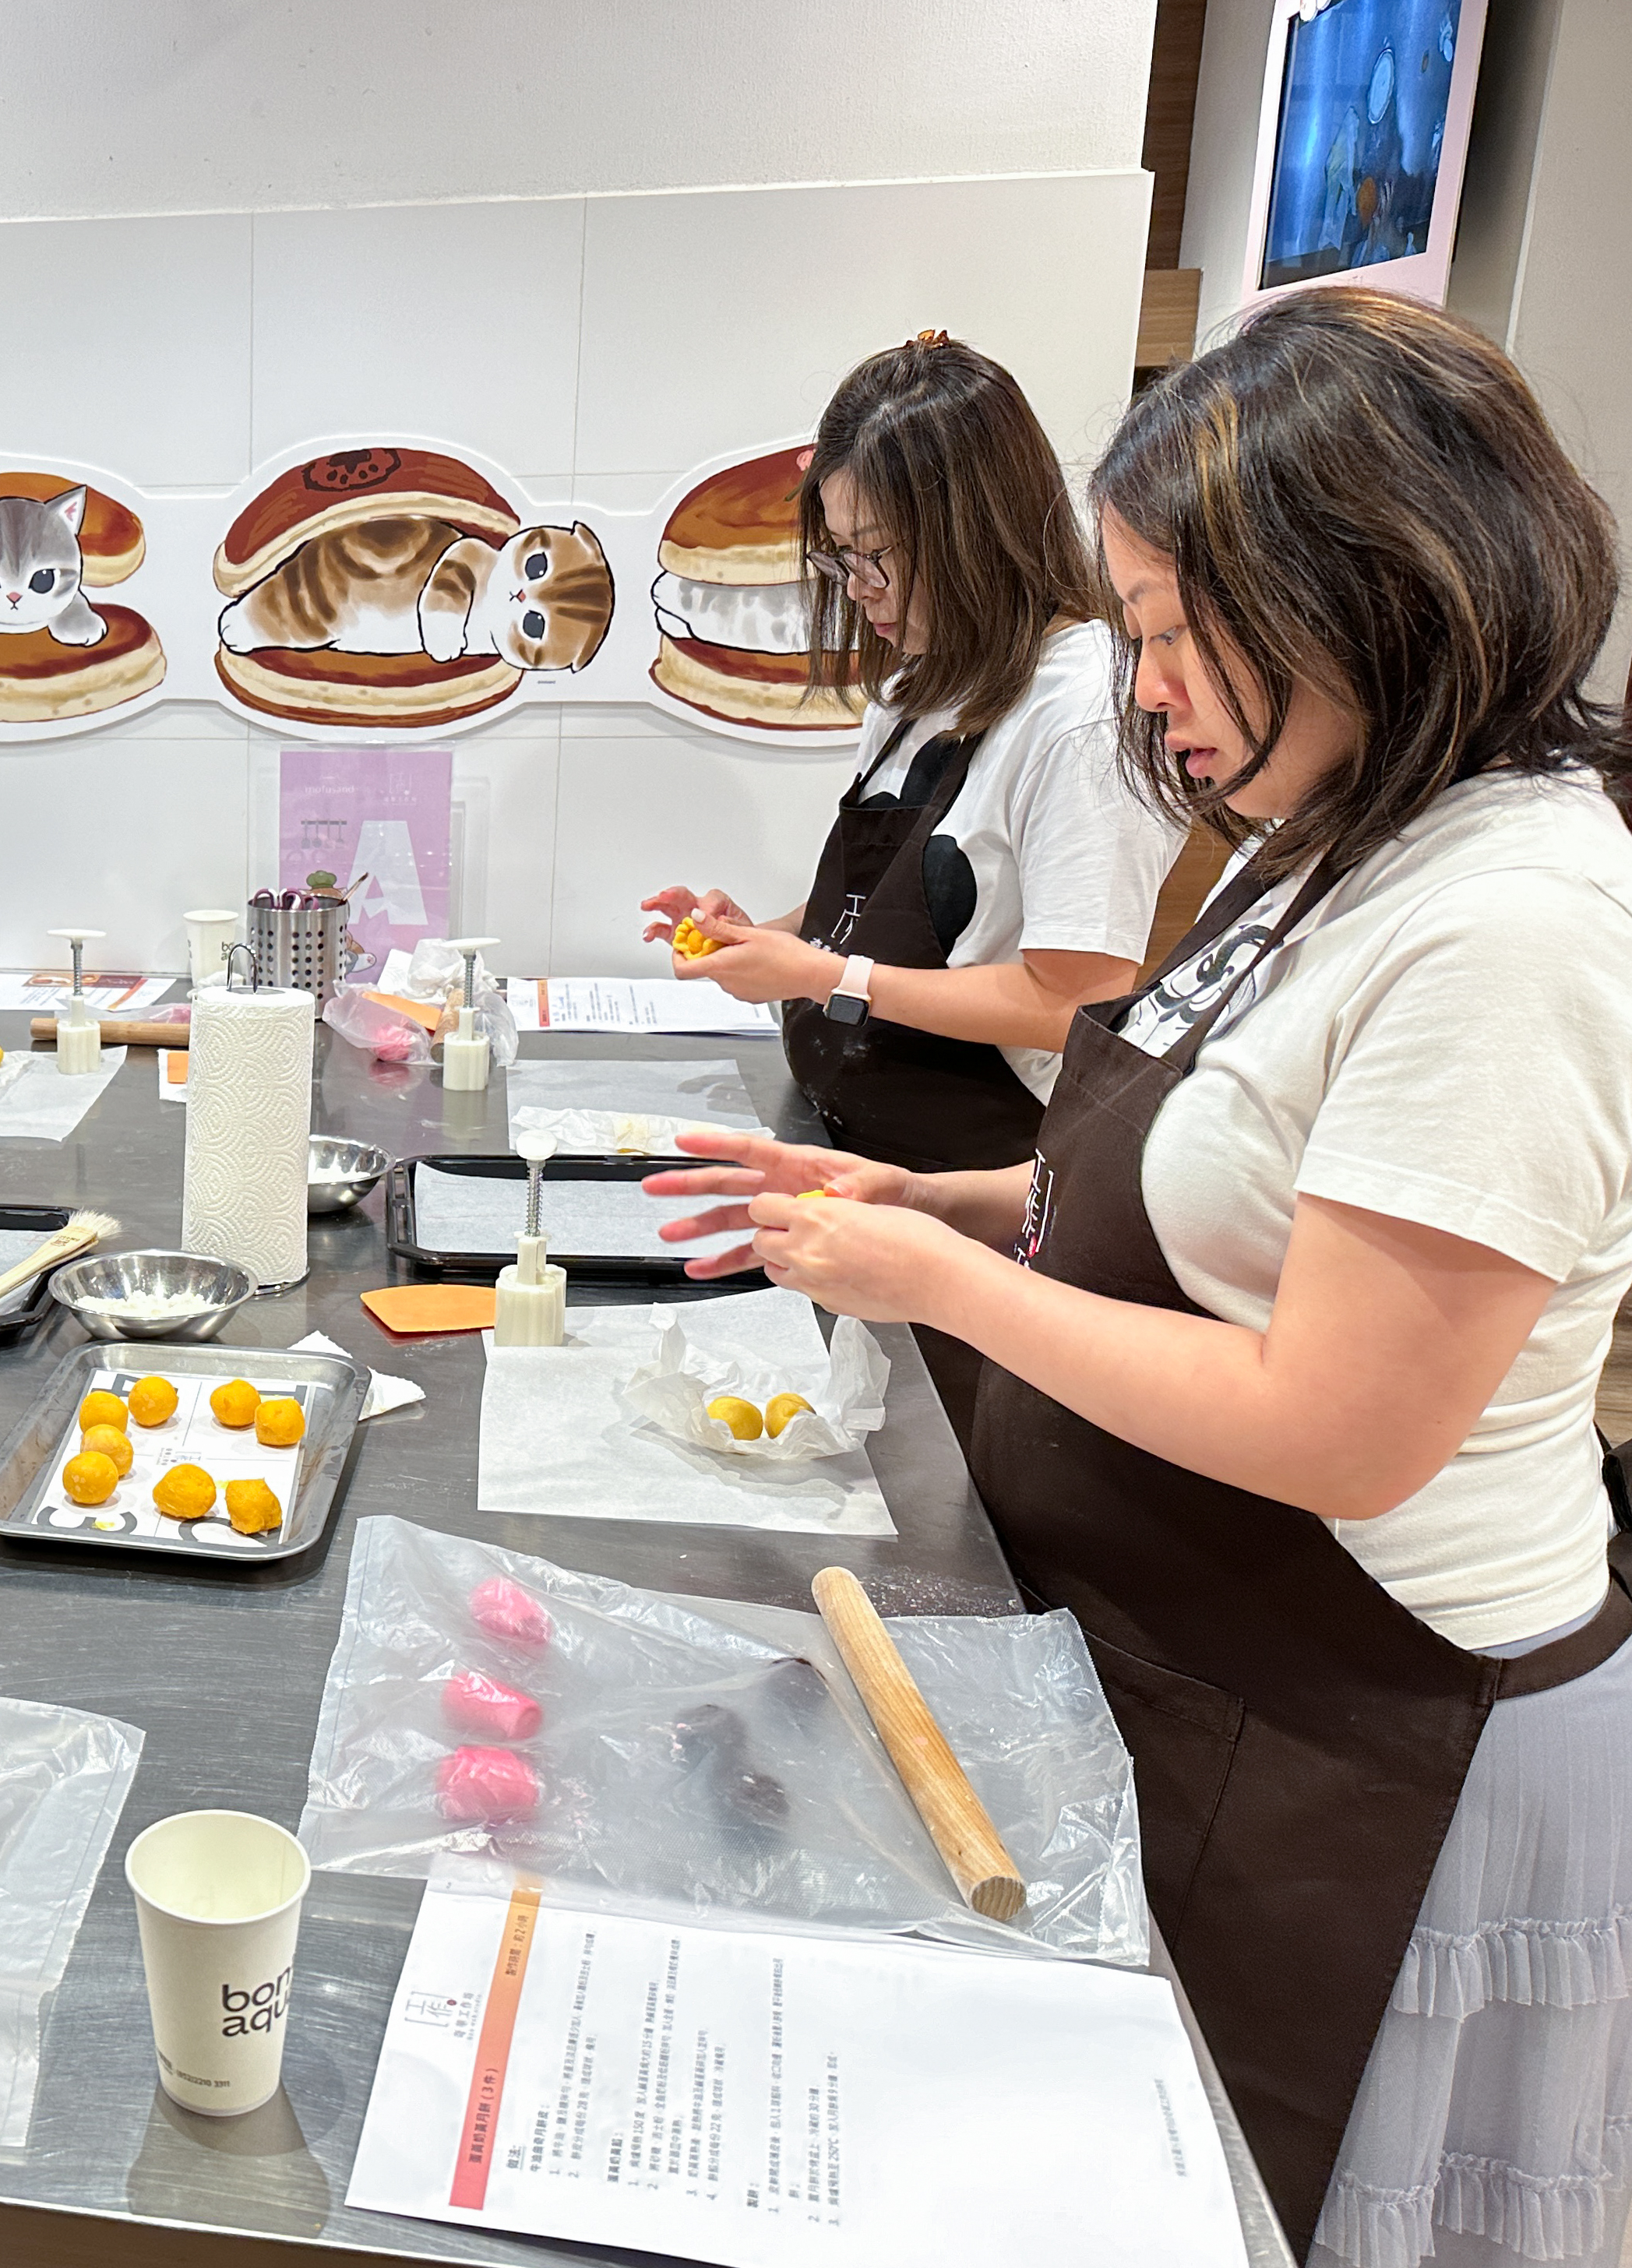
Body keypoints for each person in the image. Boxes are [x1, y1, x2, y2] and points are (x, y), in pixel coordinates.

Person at [650, 287, 1632, 2260]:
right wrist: (936, 1201)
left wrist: (947, 1290)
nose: (1147, 688)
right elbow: (1211, 1187)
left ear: (1374, 590)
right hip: (1205, 1673)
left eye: (1180, 631)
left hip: (1380, 1733)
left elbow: (1339, 1423)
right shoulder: (1327, 841)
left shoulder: (1513, 913)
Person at [642, 333, 1187, 1174]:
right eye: (841, 556)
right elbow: (870, 919)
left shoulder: (1084, 714)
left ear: (978, 529)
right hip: (851, 1151)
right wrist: (761, 940)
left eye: (879, 555)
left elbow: (1074, 997)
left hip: (977, 1176)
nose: (858, 589)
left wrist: (826, 977)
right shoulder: (914, 689)